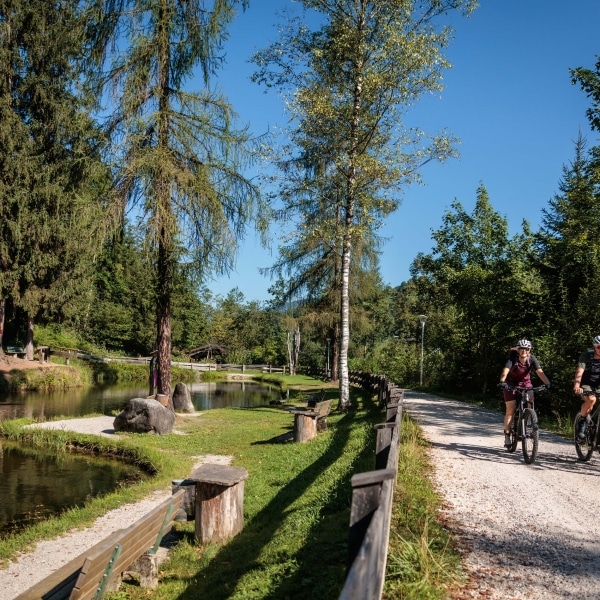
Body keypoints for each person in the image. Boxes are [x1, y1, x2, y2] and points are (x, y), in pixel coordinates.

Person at [499, 339, 551, 448]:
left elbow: (540, 372)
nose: (524, 351)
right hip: (510, 384)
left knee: (530, 397)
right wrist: (502, 382)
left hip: (525, 383)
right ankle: (507, 435)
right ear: (518, 350)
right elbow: (505, 371)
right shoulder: (512, 358)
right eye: (521, 349)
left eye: (526, 349)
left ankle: (527, 418)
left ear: (529, 350)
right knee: (511, 408)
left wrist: (548, 383)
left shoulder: (532, 359)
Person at [573, 336, 600, 439]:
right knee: (591, 399)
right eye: (599, 347)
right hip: (586, 384)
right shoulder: (587, 356)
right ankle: (582, 420)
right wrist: (577, 385)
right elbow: (579, 371)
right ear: (594, 347)